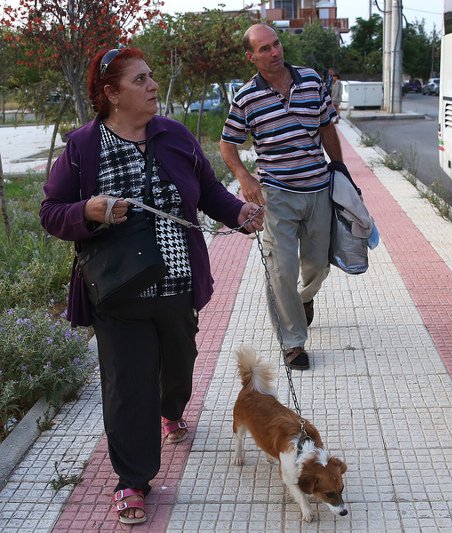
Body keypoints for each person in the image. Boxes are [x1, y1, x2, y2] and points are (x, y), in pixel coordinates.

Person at [39, 47, 264, 526]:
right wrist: (89, 211)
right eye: (140, 80)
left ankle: (172, 407)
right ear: (111, 94)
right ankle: (133, 480)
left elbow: (207, 191)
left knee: (179, 364)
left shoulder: (175, 135)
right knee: (127, 386)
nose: (153, 86)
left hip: (178, 282)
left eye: (152, 77)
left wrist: (238, 213)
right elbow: (51, 212)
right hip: (118, 293)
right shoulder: (82, 147)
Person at [220, 23, 345, 372]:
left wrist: (340, 169)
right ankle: (293, 342)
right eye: (264, 49)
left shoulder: (310, 81)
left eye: (276, 45)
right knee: (282, 269)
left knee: (319, 264)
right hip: (276, 194)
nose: (274, 52)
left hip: (318, 189)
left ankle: (303, 301)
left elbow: (327, 127)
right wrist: (244, 177)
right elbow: (227, 144)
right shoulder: (247, 97)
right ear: (251, 56)